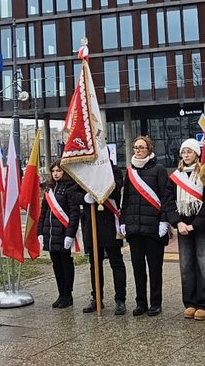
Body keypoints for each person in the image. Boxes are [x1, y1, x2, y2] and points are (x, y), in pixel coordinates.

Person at [115, 135, 176, 316]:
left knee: (155, 269)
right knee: (138, 268)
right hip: (134, 228)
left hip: (154, 228)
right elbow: (126, 199)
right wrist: (123, 221)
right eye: (136, 147)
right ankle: (140, 303)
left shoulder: (159, 170)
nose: (138, 150)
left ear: (149, 149)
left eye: (142, 147)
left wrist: (164, 221)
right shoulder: (130, 171)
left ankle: (155, 303)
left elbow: (166, 197)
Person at [170, 139, 205, 320]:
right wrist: (177, 222)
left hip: (201, 226)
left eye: (189, 151)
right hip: (183, 225)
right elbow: (168, 201)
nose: (186, 155)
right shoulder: (175, 177)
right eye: (184, 152)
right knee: (186, 266)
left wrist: (195, 224)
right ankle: (190, 302)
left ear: (197, 153)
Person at [79, 186, 127, 316]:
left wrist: (98, 192)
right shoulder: (85, 174)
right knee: (94, 265)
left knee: (116, 263)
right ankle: (96, 298)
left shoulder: (113, 174)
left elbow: (116, 189)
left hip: (110, 223)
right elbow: (74, 193)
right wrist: (84, 198)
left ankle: (120, 299)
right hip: (91, 224)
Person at [41, 163, 82, 308]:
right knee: (56, 265)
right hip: (51, 234)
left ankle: (67, 295)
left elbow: (74, 214)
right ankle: (60, 294)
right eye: (53, 171)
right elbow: (43, 212)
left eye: (58, 171)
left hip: (64, 234)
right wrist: (40, 232)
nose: (55, 174)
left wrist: (70, 235)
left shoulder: (70, 189)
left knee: (66, 264)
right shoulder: (49, 189)